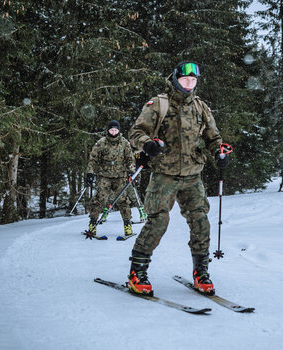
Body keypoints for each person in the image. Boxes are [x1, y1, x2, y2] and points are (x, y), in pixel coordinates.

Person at [126, 61, 229, 296]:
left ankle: (201, 272)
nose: (189, 84)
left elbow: (214, 138)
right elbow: (136, 132)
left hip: (193, 175)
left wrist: (219, 154)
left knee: (200, 221)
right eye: (185, 80)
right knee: (158, 221)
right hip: (164, 175)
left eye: (193, 81)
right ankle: (137, 273)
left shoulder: (201, 107)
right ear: (175, 79)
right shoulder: (159, 104)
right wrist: (148, 145)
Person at [85, 120, 136, 237]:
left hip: (120, 177)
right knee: (99, 200)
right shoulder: (101, 143)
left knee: (123, 201)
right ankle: (92, 225)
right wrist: (90, 173)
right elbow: (93, 159)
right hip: (104, 177)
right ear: (108, 130)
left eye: (116, 130)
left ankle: (127, 225)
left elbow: (130, 159)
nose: (114, 132)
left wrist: (131, 171)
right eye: (111, 130)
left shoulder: (124, 143)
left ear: (119, 130)